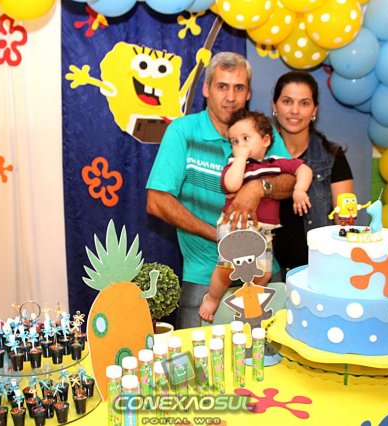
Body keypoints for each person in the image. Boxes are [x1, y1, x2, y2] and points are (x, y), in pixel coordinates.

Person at [146, 52, 295, 329]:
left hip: (262, 270)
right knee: (196, 355)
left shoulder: (261, 132)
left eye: (239, 88)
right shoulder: (183, 131)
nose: (231, 97)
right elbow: (157, 201)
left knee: (268, 352)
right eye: (222, 86)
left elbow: (290, 181)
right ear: (206, 89)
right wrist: (222, 236)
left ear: (248, 93)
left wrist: (259, 187)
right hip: (205, 276)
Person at [199, 109, 313, 322]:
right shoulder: (235, 167)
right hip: (235, 224)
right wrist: (240, 159)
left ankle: (249, 301)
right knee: (228, 267)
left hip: (264, 231)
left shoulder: (275, 164)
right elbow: (231, 185)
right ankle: (212, 298)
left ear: (265, 140)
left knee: (264, 273)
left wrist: (300, 190)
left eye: (245, 138)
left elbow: (303, 169)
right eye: (234, 141)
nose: (239, 145)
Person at [271, 71, 354, 274]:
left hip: (316, 272)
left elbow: (345, 223)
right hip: (265, 273)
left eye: (304, 103)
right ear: (274, 106)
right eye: (287, 101)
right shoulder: (258, 156)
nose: (295, 110)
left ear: (314, 110)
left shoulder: (332, 157)